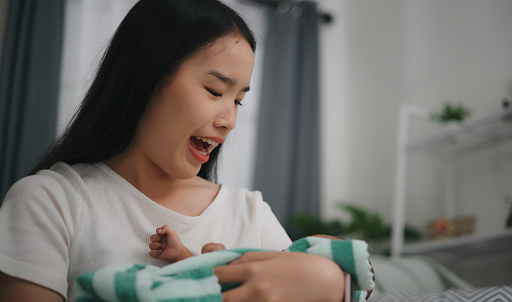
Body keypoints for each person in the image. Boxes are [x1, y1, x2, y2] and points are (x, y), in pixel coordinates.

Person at [0, 0, 348, 301]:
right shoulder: (50, 202)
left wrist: (334, 282)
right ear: (146, 76)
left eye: (239, 101)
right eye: (214, 90)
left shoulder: (249, 213)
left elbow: (340, 274)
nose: (230, 120)